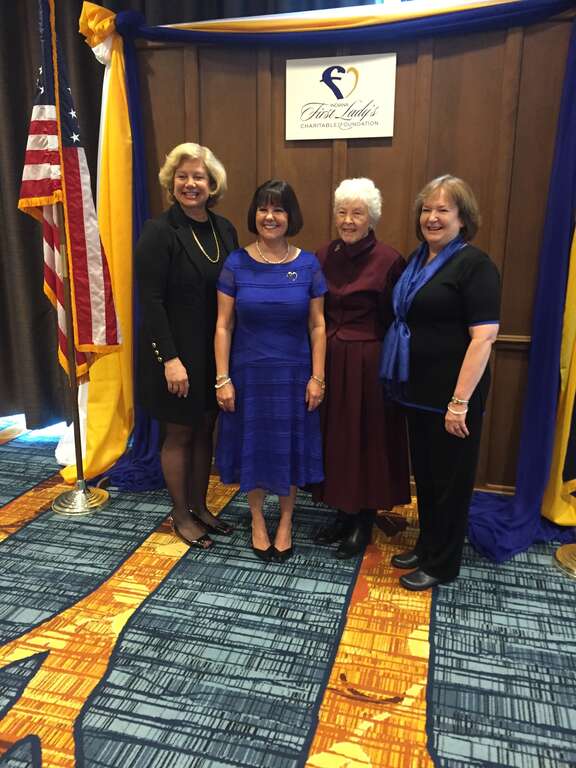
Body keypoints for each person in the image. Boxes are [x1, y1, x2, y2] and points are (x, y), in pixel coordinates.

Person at [381, 175, 500, 591]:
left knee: (451, 482)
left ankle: (444, 563)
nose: (432, 217)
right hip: (418, 392)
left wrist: (459, 402)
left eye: (443, 210)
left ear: (463, 219)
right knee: (428, 478)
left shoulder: (475, 265)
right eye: (426, 209)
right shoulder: (419, 261)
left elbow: (483, 338)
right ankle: (428, 545)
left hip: (454, 397)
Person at [214, 180, 327, 561]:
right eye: (263, 208)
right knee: (256, 447)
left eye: (278, 209)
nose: (270, 216)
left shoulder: (309, 263)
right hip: (248, 376)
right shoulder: (236, 263)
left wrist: (318, 377)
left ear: (290, 216)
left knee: (288, 449)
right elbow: (223, 325)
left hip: (295, 375)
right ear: (254, 214)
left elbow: (318, 326)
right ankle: (258, 518)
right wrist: (222, 378)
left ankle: (286, 520)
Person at [135, 142, 239, 549]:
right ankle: (180, 513)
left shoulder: (224, 229)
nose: (190, 184)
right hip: (175, 354)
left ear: (213, 185)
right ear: (171, 182)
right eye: (183, 176)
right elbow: (151, 303)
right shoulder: (159, 232)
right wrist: (171, 360)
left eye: (199, 177)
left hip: (213, 352)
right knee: (179, 434)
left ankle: (199, 506)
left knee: (204, 430)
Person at [312, 178, 411, 559]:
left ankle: (362, 521)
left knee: (365, 439)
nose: (348, 220)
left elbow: (394, 317)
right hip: (329, 357)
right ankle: (341, 512)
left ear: (372, 218)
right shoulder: (322, 255)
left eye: (357, 213)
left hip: (369, 360)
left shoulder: (390, 259)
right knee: (335, 438)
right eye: (342, 212)